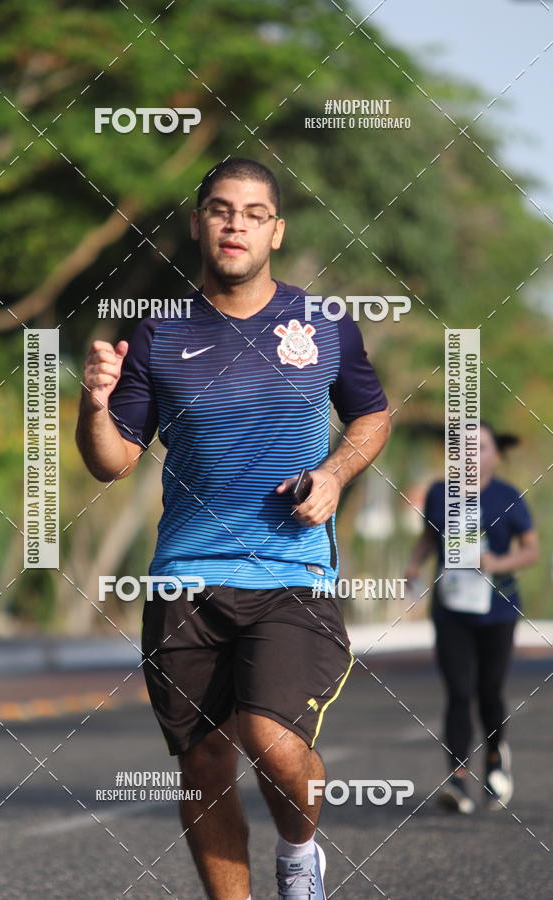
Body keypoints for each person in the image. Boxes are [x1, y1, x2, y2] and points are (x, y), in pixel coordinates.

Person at [76, 157, 390, 899]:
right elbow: (112, 462)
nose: (235, 224)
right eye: (221, 210)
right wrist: (93, 405)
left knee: (272, 743)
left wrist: (336, 475)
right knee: (204, 764)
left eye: (253, 213)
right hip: (185, 576)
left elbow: (371, 415)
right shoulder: (157, 335)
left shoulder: (325, 325)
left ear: (275, 231)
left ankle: (297, 851)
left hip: (291, 575)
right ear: (198, 225)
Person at [405, 422, 539, 814]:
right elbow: (430, 537)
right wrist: (413, 566)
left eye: (479, 448)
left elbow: (531, 551)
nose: (471, 456)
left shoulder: (507, 497)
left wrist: (499, 562)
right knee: (459, 691)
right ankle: (458, 780)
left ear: (495, 455)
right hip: (451, 608)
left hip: (498, 608)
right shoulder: (438, 492)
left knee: (489, 691)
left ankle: (496, 758)